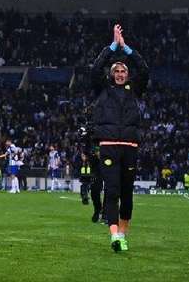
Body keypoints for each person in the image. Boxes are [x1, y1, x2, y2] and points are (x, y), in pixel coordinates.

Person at [73, 24, 150, 252]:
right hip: (107, 146)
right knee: (112, 190)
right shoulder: (102, 88)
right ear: (111, 74)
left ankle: (124, 234)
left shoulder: (135, 88)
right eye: (116, 71)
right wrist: (112, 47)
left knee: (127, 194)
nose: (119, 74)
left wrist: (127, 50)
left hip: (130, 146)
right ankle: (114, 235)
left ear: (127, 75)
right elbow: (95, 69)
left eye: (123, 71)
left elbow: (144, 70)